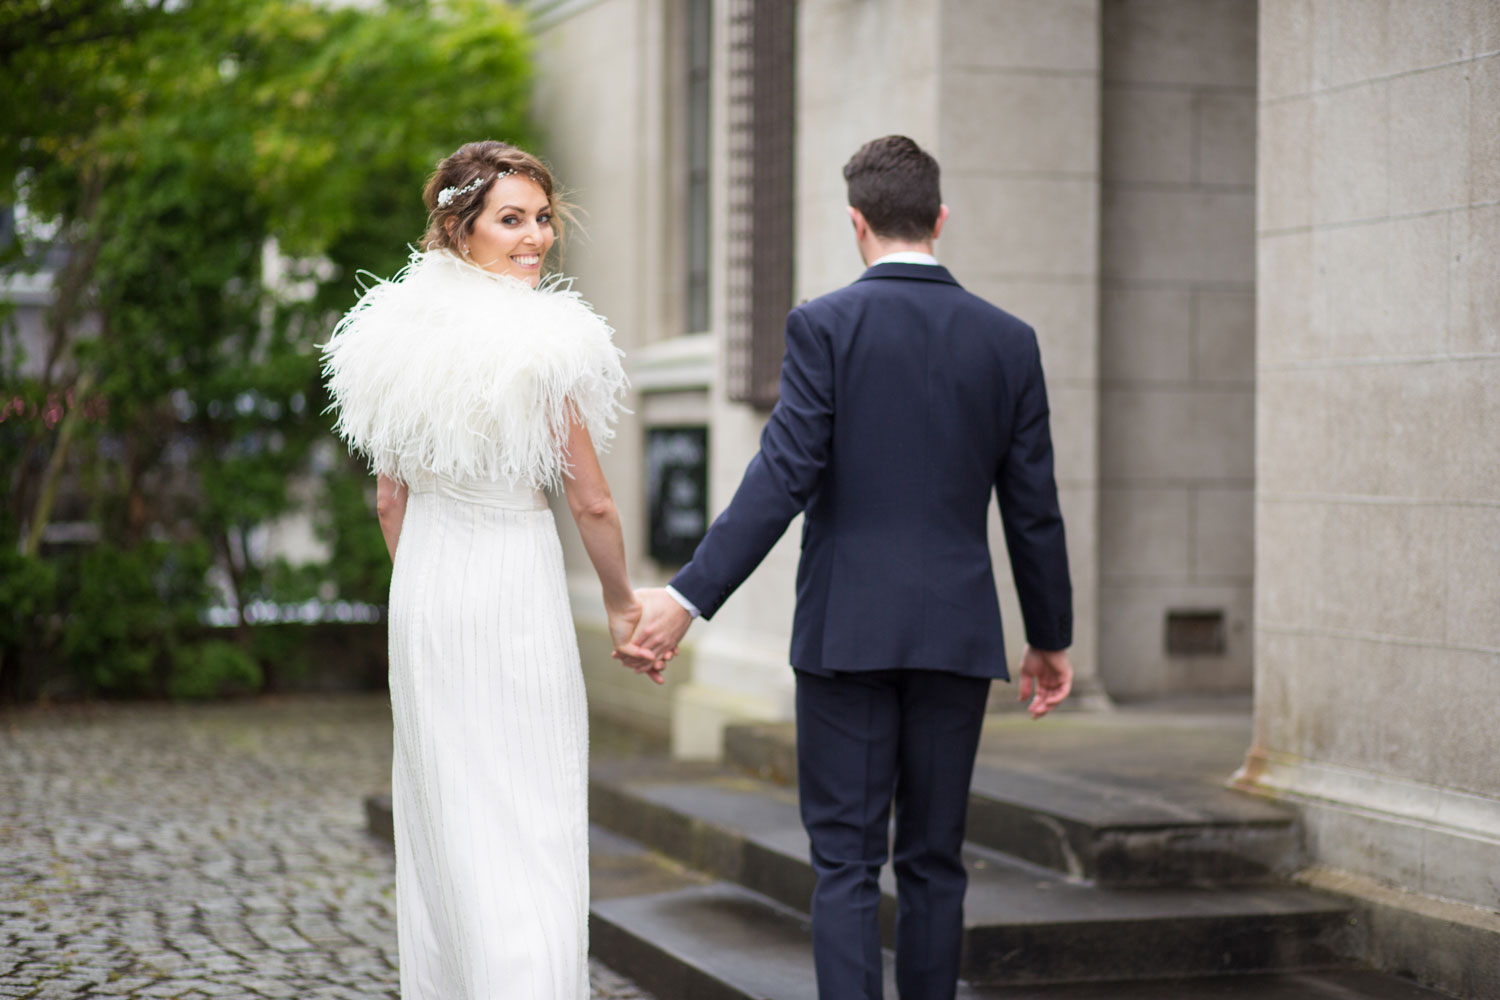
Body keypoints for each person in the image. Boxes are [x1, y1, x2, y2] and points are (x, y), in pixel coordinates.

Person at [623, 135, 1075, 1000]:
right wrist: (1049, 636)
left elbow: (781, 477)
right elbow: (1034, 506)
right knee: (937, 861)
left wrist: (687, 599)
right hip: (955, 634)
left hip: (846, 634)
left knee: (844, 864)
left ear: (855, 223)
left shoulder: (824, 325)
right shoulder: (1009, 341)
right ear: (940, 220)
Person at [322, 139, 656, 999]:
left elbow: (389, 500)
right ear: (459, 228)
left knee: (451, 814)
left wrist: (426, 582)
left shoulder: (393, 336)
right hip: (513, 585)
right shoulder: (544, 343)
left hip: (427, 592)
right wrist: (624, 605)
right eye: (512, 220)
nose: (536, 238)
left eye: (543, 219)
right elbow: (592, 504)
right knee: (527, 814)